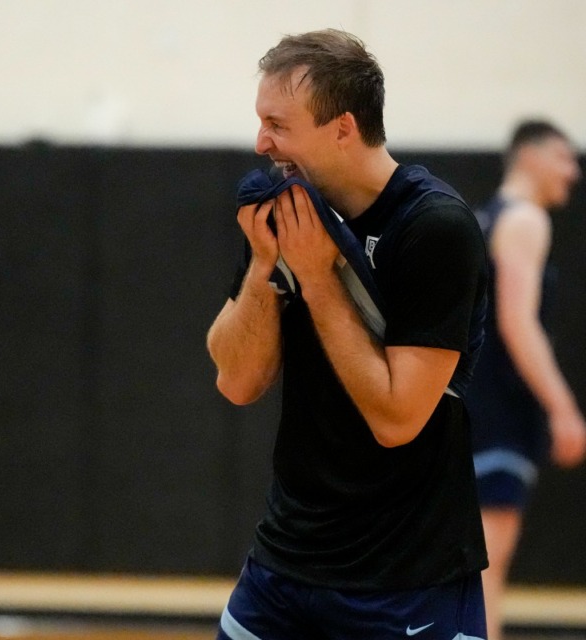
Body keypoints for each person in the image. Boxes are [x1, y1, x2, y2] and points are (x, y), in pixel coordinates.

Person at [207, 29, 489, 639]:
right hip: (284, 564)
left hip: (404, 578)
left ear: (342, 127)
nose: (261, 143)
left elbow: (397, 419)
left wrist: (317, 276)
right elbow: (236, 379)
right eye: (260, 122)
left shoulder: (435, 227)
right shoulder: (290, 211)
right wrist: (262, 265)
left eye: (278, 125)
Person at [465, 120, 586, 640]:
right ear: (530, 156)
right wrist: (563, 407)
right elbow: (517, 322)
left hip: (467, 408)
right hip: (500, 413)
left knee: (469, 570)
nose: (573, 172)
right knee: (487, 570)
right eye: (564, 157)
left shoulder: (483, 219)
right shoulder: (525, 220)